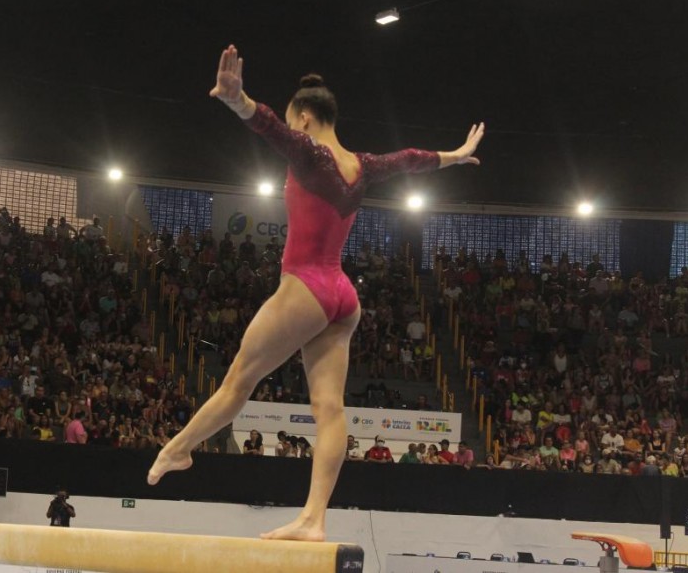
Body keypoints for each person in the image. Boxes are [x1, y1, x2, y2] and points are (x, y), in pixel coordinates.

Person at [148, 44, 484, 542]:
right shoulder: (362, 165)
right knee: (329, 408)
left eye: (294, 120)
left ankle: (178, 448)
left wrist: (236, 100)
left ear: (304, 117)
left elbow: (268, 127)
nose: (293, 127)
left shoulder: (309, 153)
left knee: (237, 381)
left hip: (304, 285)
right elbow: (409, 159)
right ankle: (314, 518)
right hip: (343, 295)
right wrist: (452, 157)